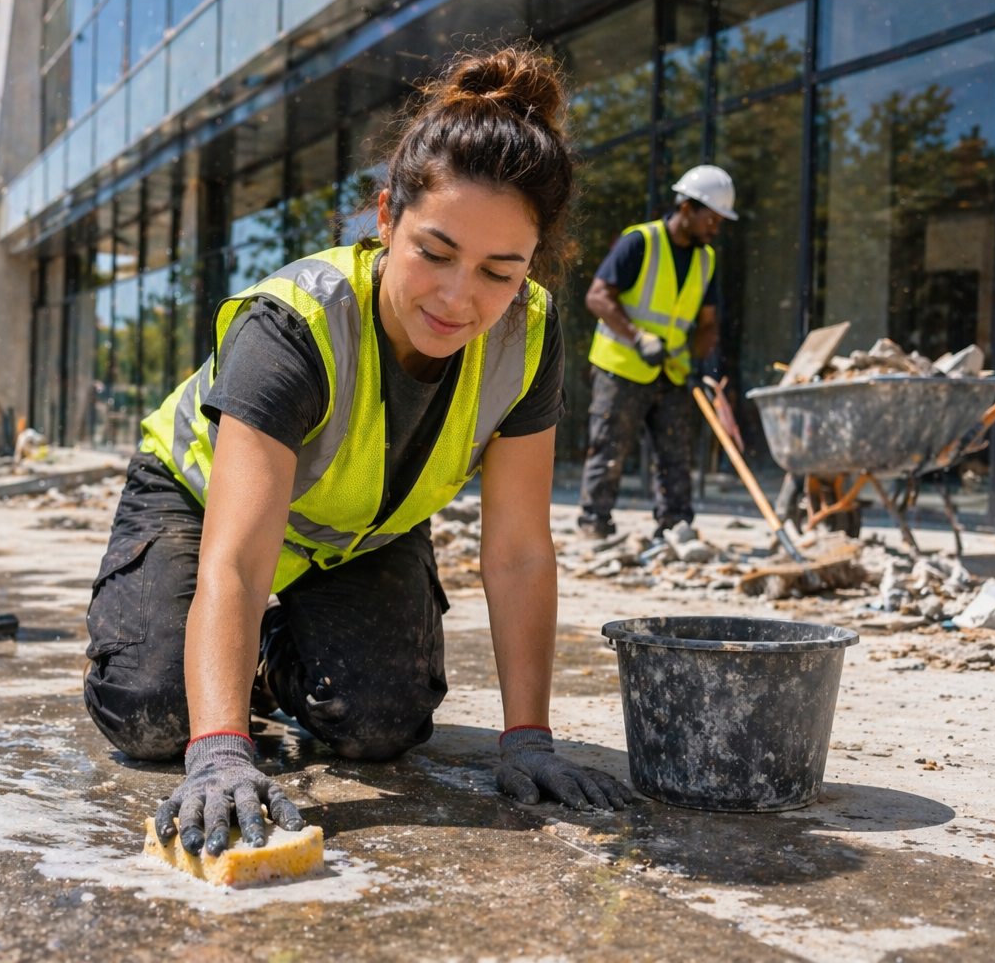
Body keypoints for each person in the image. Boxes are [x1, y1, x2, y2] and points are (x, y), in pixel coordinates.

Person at [83, 47, 632, 860]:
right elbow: (237, 561)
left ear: (532, 265)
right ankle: (190, 660)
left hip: (354, 534)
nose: (458, 298)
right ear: (385, 219)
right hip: (203, 508)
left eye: (498, 271)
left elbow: (517, 551)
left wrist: (527, 739)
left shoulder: (534, 331)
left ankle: (270, 660)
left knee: (384, 725)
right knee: (158, 713)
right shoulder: (292, 328)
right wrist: (222, 750)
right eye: (435, 253)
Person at [576, 165, 737, 540]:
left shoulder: (706, 259)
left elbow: (708, 321)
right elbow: (597, 297)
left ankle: (675, 526)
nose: (715, 228)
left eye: (720, 221)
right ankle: (595, 524)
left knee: (675, 453)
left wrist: (698, 360)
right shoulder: (640, 242)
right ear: (686, 208)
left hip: (673, 372)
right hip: (622, 366)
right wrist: (638, 337)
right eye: (710, 218)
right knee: (610, 448)